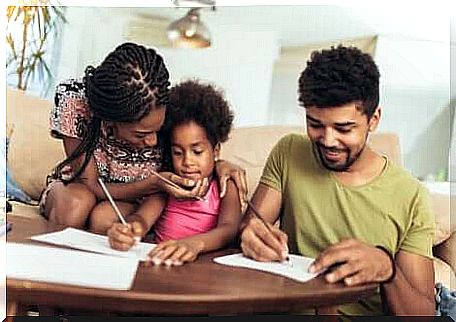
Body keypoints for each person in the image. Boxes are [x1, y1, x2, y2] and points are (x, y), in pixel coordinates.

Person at [239, 45, 436, 316]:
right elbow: (251, 224)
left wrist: (387, 270)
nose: (328, 140)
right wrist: (249, 236)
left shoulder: (411, 195)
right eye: (315, 124)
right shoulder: (289, 152)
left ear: (373, 119)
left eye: (344, 128)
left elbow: (423, 314)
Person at [40, 42, 247, 234]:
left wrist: (220, 165)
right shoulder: (75, 101)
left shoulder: (167, 107)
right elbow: (92, 186)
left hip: (132, 200)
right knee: (77, 204)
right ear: (110, 121)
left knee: (105, 219)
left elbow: (196, 146)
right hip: (78, 188)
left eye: (158, 130)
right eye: (142, 134)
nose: (154, 142)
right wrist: (154, 184)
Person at [107, 80, 242, 266]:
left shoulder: (226, 184)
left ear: (216, 150)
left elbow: (229, 229)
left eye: (197, 151)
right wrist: (130, 229)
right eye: (178, 152)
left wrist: (195, 244)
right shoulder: (168, 185)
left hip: (206, 269)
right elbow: (142, 218)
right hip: (162, 265)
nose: (187, 162)